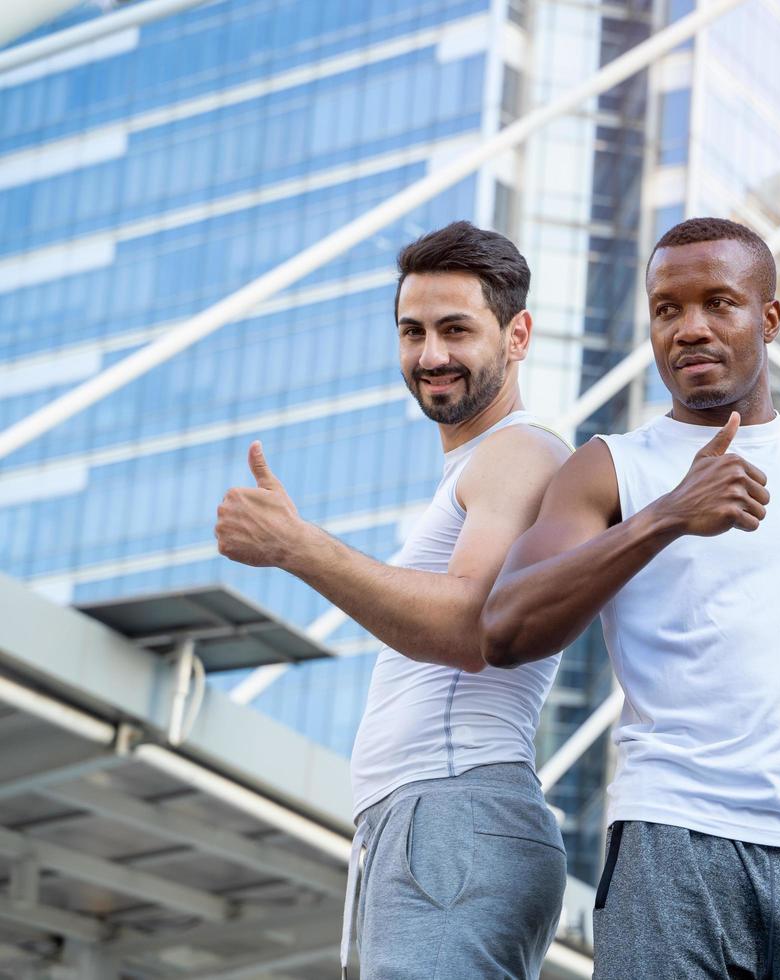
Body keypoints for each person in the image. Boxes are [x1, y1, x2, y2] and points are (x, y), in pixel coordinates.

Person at [480, 217, 780, 978]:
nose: (689, 328)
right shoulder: (608, 469)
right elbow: (505, 628)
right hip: (674, 843)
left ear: (769, 318)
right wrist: (665, 516)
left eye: (718, 303)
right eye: (667, 309)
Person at [215, 221, 569, 979]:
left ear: (518, 335)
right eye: (412, 332)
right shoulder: (476, 466)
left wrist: (296, 546)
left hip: (452, 815)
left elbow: (468, 626)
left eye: (455, 329)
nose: (430, 355)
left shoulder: (521, 451)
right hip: (428, 822)